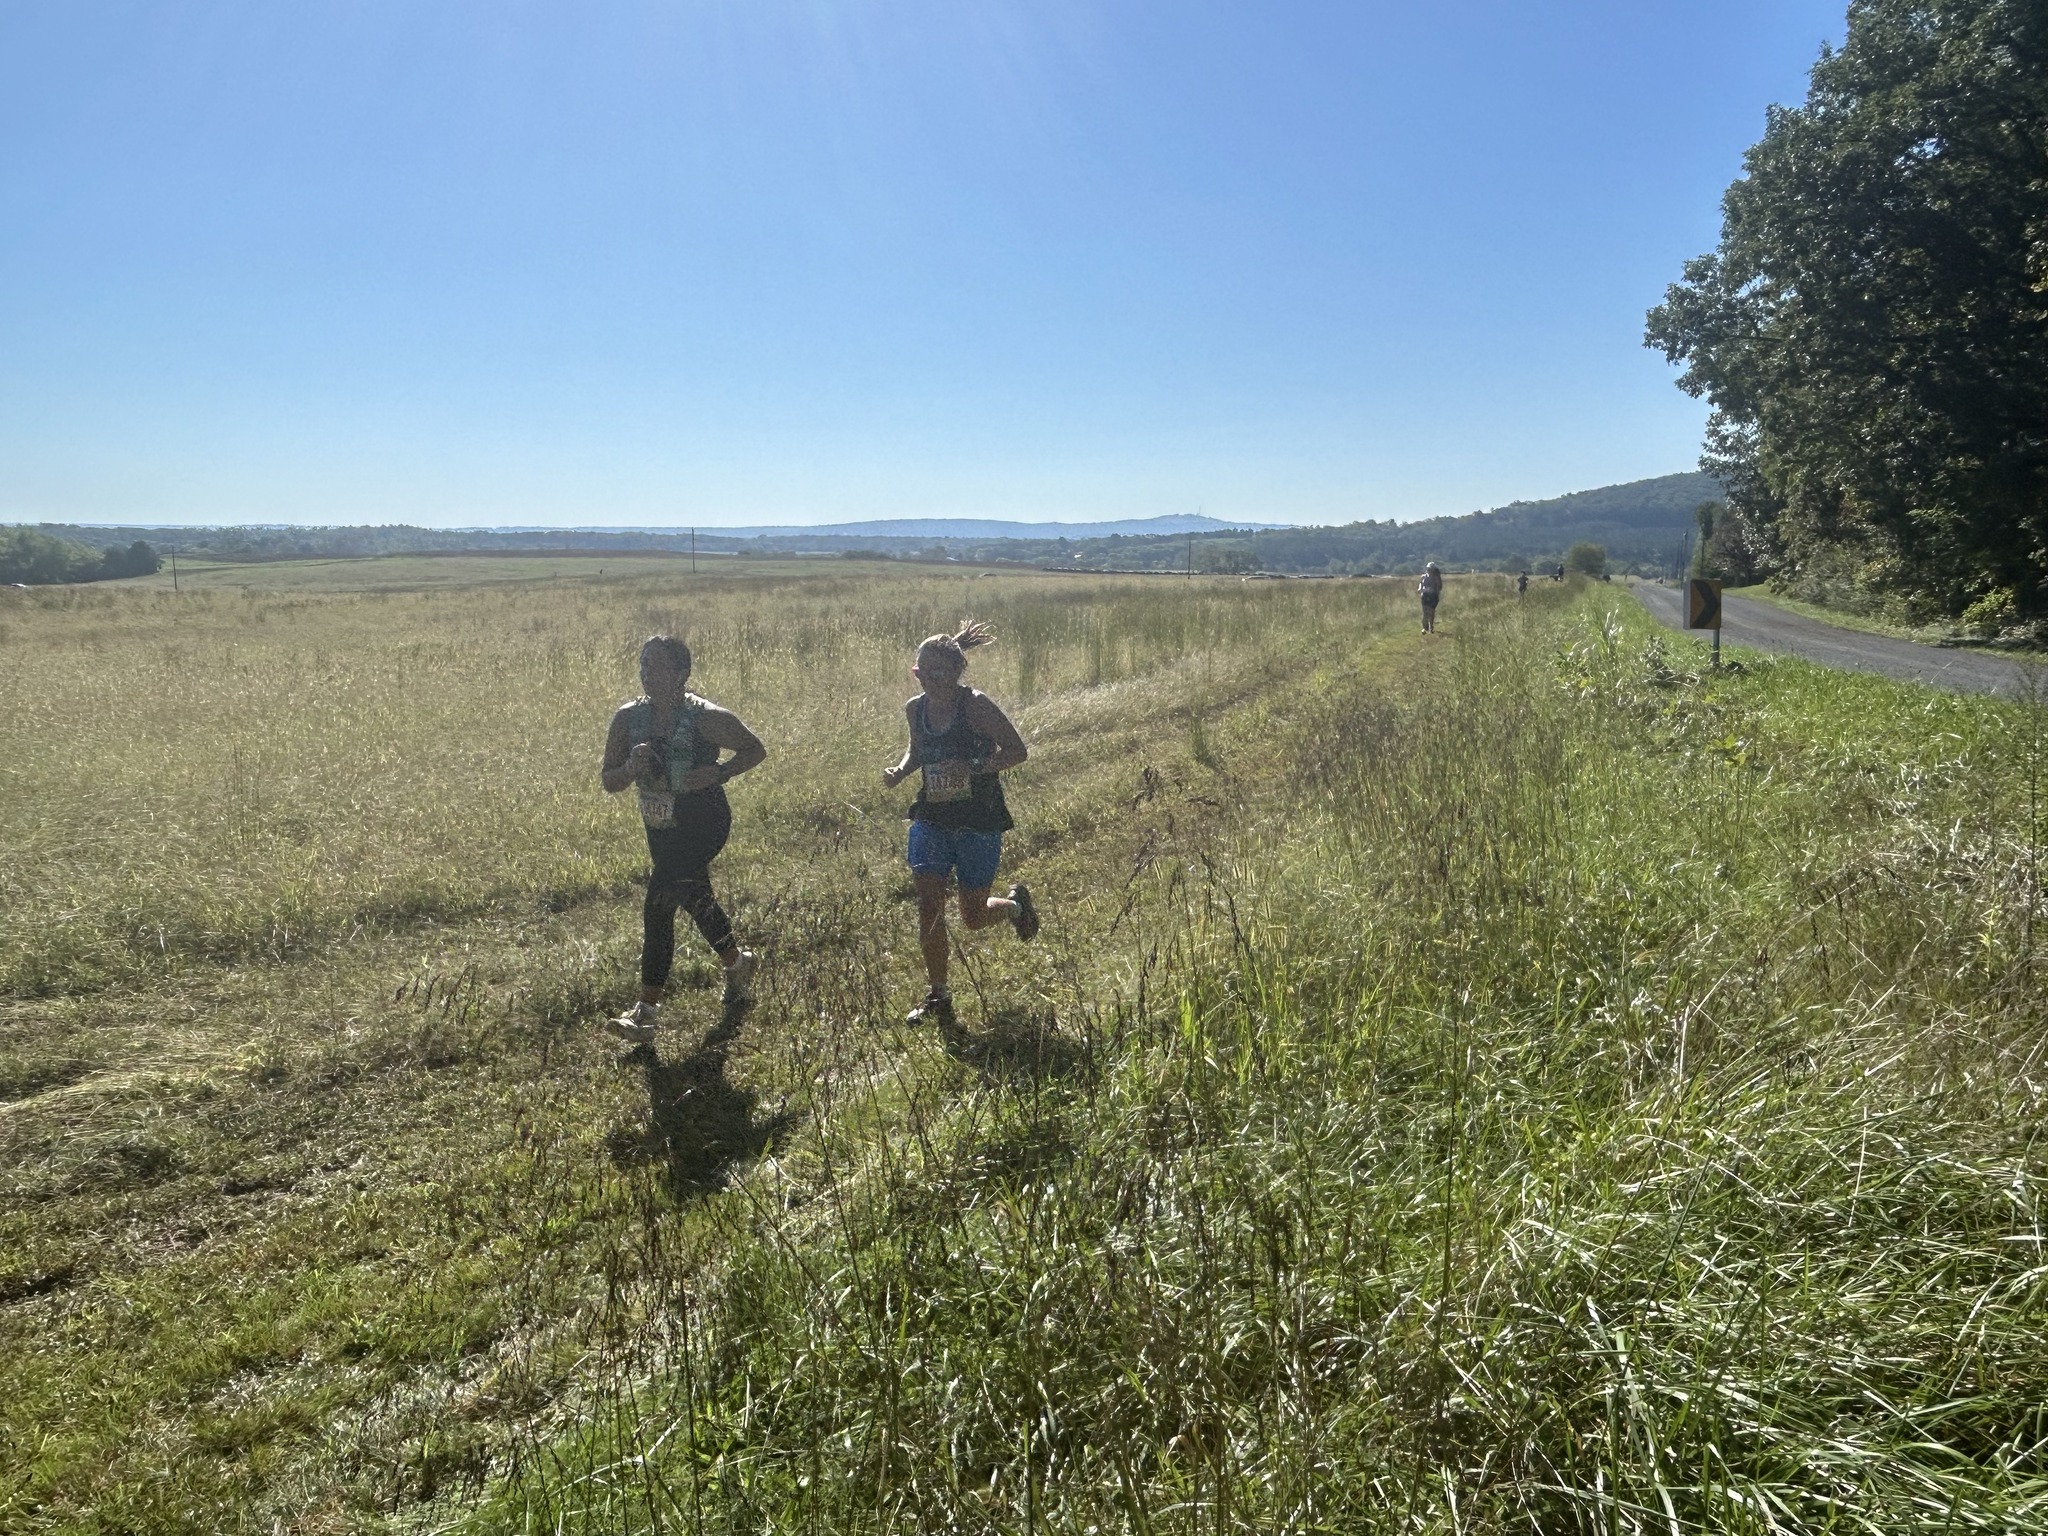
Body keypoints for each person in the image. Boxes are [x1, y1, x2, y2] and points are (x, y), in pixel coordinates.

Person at [600, 635, 766, 1044]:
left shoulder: (707, 717)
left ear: (681, 673)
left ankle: (646, 1013)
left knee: (659, 903)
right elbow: (609, 781)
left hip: (704, 819)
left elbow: (755, 749)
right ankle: (736, 962)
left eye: (656, 665)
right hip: (660, 826)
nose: (646, 673)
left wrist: (721, 772)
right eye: (642, 664)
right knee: (694, 897)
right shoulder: (627, 719)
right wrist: (630, 769)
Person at [881, 621, 1039, 1027]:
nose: (930, 681)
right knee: (929, 904)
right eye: (922, 673)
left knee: (972, 916)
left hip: (979, 818)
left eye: (939, 673)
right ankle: (939, 994)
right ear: (915, 672)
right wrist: (899, 771)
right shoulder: (914, 709)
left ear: (956, 672)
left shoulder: (977, 706)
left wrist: (970, 767)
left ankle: (1016, 906)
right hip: (932, 815)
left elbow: (1017, 751)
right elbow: (917, 752)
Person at [1417, 562, 1444, 634]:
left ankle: (1430, 627)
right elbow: (1421, 584)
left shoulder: (1436, 578)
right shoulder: (1423, 576)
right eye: (1429, 569)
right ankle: (1424, 628)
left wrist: (1433, 590)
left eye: (1431, 569)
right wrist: (1420, 589)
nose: (1429, 570)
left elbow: (1439, 587)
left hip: (1433, 596)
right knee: (1425, 612)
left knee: (1431, 612)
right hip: (1425, 595)